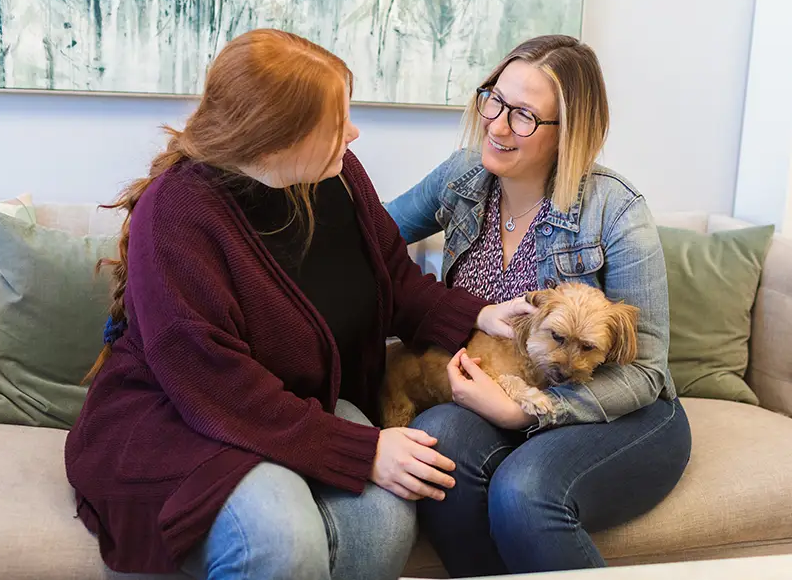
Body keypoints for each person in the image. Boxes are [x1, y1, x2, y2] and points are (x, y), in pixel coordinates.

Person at [64, 29, 530, 580]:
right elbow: (215, 383)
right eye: (336, 125)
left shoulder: (339, 176)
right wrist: (361, 450)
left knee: (385, 523)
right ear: (274, 140)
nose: (353, 134)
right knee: (284, 542)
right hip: (185, 416)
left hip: (302, 404)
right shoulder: (176, 214)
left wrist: (477, 316)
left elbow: (395, 282)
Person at [385, 34, 693, 576]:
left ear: (568, 133)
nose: (497, 125)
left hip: (616, 411)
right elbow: (371, 235)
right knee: (441, 445)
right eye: (494, 100)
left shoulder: (617, 212)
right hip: (497, 397)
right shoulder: (461, 178)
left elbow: (646, 373)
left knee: (524, 490)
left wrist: (527, 410)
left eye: (524, 115)